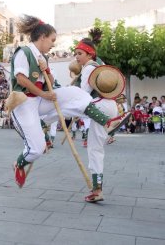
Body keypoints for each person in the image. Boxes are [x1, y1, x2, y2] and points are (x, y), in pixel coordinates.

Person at [10, 15, 130, 189]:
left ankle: (107, 122)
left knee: (75, 93)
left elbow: (49, 82)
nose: (53, 44)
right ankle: (19, 164)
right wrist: (44, 95)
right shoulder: (24, 52)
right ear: (42, 37)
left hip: (39, 100)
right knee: (37, 149)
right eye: (52, 40)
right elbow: (21, 80)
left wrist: (46, 70)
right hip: (23, 104)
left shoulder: (43, 57)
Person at [73, 33, 127, 202]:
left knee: (95, 150)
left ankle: (97, 190)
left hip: (99, 106)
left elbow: (83, 95)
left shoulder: (88, 68)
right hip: (109, 105)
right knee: (96, 149)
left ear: (89, 54)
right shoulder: (99, 65)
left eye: (79, 53)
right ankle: (97, 189)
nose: (76, 57)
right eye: (75, 54)